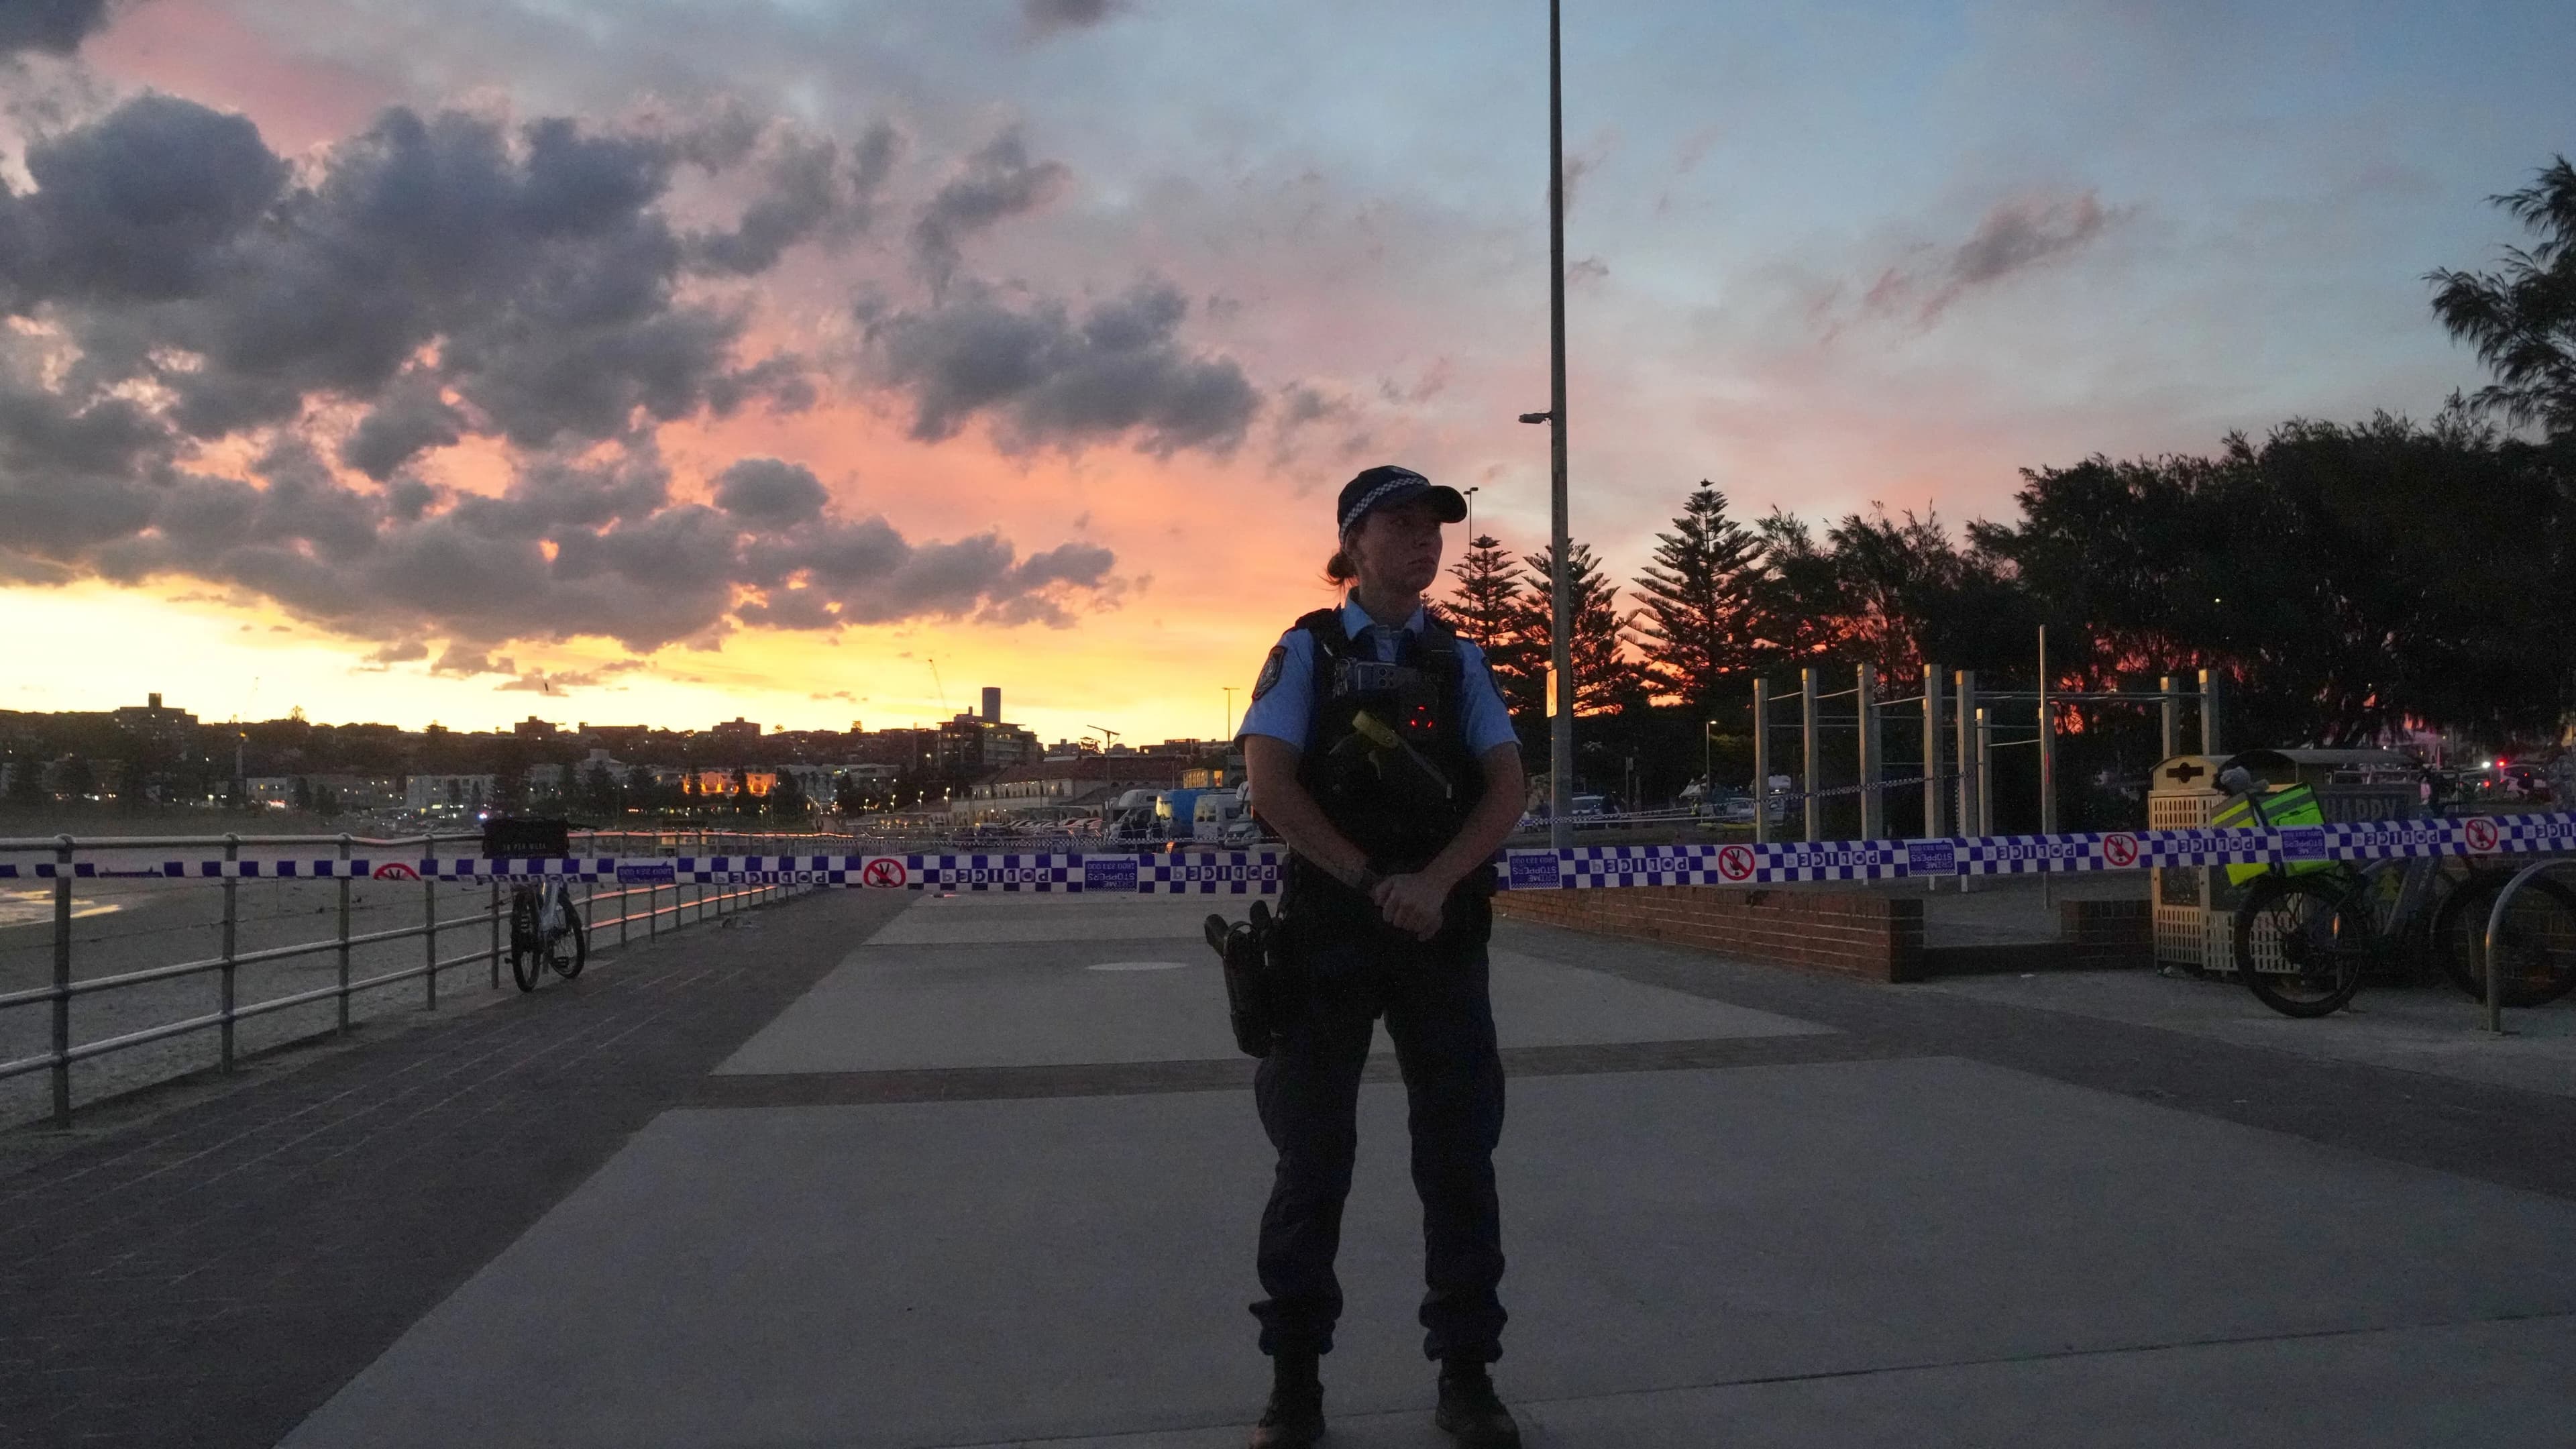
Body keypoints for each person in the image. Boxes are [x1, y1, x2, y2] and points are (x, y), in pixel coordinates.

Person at [1233, 465, 1529, 1449]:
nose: (1425, 540)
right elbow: (1271, 788)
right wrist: (1370, 882)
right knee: (1313, 1161)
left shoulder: (1459, 658)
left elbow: (1507, 790)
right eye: (1400, 524)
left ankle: (1468, 1378)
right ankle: (1295, 1386)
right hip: (1330, 932)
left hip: (1439, 933)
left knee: (1460, 1159)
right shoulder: (1306, 651)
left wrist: (1434, 883)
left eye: (1433, 526)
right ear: (1352, 544)